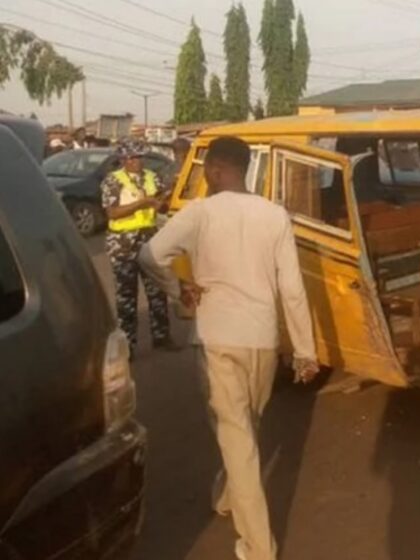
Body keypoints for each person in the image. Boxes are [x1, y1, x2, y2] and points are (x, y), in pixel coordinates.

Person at [139, 136, 319, 560]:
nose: (203, 174)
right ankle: (227, 495)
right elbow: (292, 289)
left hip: (217, 338)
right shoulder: (275, 216)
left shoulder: (199, 213)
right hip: (262, 341)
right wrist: (306, 351)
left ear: (218, 169)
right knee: (243, 427)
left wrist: (178, 287)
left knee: (236, 435)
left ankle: (258, 548)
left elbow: (150, 255)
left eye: (205, 167)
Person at [101, 138, 176, 355]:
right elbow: (112, 213)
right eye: (133, 157)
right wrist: (142, 203)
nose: (138, 161)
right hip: (123, 243)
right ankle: (129, 346)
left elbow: (162, 205)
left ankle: (162, 337)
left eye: (140, 157)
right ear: (124, 159)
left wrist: (164, 201)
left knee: (157, 291)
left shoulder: (152, 177)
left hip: (149, 239)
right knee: (127, 297)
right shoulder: (113, 181)